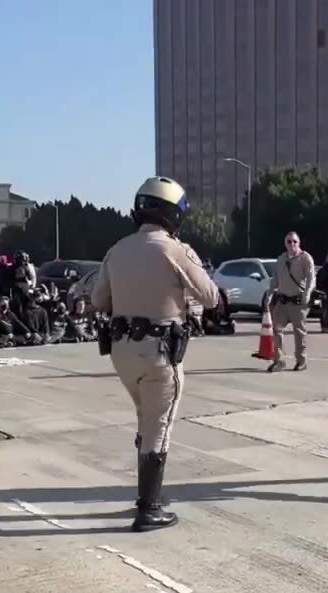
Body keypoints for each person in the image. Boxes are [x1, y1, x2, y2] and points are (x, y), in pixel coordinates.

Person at [92, 176, 220, 532]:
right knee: (159, 428)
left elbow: (98, 301)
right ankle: (149, 509)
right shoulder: (174, 249)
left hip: (122, 353)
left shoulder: (116, 250)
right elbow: (210, 297)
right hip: (160, 351)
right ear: (172, 213)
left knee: (146, 418)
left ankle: (148, 492)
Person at [266, 231, 317, 372]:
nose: (292, 244)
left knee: (299, 332)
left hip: (298, 302)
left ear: (299, 243)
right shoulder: (281, 259)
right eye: (289, 241)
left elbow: (312, 278)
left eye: (295, 241)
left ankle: (301, 360)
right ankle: (279, 360)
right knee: (276, 329)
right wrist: (269, 294)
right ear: (285, 243)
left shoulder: (305, 258)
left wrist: (307, 293)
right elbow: (275, 279)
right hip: (282, 302)